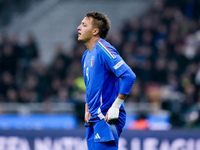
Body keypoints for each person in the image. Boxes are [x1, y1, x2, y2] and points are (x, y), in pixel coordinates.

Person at [77, 11, 136, 150]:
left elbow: (129, 76)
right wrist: (87, 108)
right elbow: (91, 86)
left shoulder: (104, 48)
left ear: (95, 31)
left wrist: (116, 106)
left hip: (106, 117)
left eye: (84, 25)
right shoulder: (86, 56)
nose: (78, 27)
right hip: (92, 119)